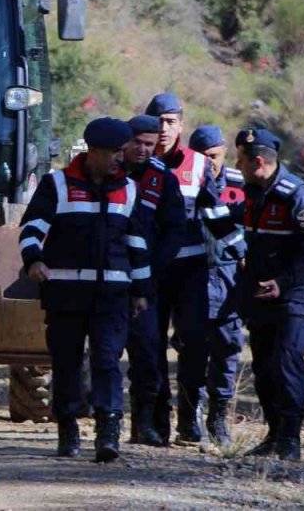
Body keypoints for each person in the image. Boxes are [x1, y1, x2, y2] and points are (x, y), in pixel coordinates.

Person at [18, 117, 154, 463]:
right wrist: (33, 260)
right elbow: (32, 227)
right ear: (93, 151)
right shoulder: (57, 185)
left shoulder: (129, 189)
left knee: (107, 360)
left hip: (113, 294)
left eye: (122, 153)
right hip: (65, 293)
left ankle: (108, 431)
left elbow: (138, 243)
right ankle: (68, 426)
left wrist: (141, 290)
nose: (120, 160)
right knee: (66, 363)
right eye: (114, 153)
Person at [234, 128, 304, 462]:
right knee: (263, 366)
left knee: (286, 361)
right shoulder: (249, 193)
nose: (237, 165)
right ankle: (273, 434)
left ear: (258, 162)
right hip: (261, 296)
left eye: (241, 160)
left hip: (295, 296)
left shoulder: (298, 197)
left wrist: (284, 283)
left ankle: (290, 439)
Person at [143, 92, 211, 444]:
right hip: (150, 271)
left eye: (170, 121)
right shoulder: (136, 162)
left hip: (190, 270)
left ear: (182, 125)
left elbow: (217, 216)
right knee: (149, 346)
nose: (164, 128)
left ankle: (189, 418)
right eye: (158, 121)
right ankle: (156, 420)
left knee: (195, 344)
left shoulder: (199, 165)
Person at [122, 113, 185, 447]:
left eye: (150, 144)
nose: (145, 150)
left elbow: (175, 229)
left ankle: (143, 424)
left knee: (147, 353)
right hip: (103, 278)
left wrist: (153, 269)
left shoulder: (164, 179)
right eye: (138, 143)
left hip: (146, 283)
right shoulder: (106, 171)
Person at [189, 125, 247, 447]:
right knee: (192, 349)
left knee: (227, 349)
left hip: (229, 281)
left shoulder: (241, 184)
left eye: (214, 156)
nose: (209, 163)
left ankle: (219, 416)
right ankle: (193, 414)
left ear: (224, 152)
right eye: (202, 157)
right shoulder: (184, 182)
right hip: (194, 278)